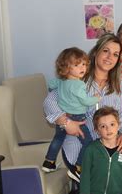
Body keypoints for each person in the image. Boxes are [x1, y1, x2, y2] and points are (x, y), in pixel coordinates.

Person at [43, 33, 122, 194]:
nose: (109, 57)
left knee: (120, 183)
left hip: (110, 142)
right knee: (90, 186)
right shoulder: (79, 77)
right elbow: (49, 102)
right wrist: (66, 124)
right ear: (96, 52)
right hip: (80, 141)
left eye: (115, 54)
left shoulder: (119, 84)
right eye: (106, 51)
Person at [42, 47, 99, 175]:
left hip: (64, 117)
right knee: (88, 142)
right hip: (77, 119)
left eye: (84, 64)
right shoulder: (79, 85)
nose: (82, 68)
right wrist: (95, 98)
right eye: (77, 65)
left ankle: (48, 162)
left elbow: (51, 85)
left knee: (58, 139)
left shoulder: (61, 82)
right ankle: (79, 167)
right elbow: (85, 101)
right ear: (66, 67)